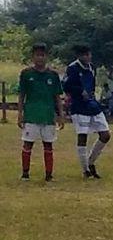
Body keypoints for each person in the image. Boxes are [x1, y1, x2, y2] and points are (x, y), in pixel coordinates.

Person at [62, 45, 111, 178]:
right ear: (79, 56)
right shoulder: (73, 68)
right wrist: (79, 91)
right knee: (82, 136)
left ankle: (91, 161)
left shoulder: (91, 67)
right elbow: (66, 85)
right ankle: (86, 170)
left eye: (89, 54)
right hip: (79, 106)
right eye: (84, 55)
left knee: (105, 134)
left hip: (92, 104)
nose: (88, 57)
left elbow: (91, 84)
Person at [17, 44, 63, 181]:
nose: (40, 58)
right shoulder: (26, 74)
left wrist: (61, 115)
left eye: (42, 55)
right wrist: (20, 114)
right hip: (31, 115)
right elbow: (21, 95)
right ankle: (25, 173)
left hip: (48, 115)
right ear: (32, 57)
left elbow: (57, 96)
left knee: (48, 144)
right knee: (28, 144)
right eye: (37, 55)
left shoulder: (53, 75)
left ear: (46, 57)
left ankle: (49, 175)